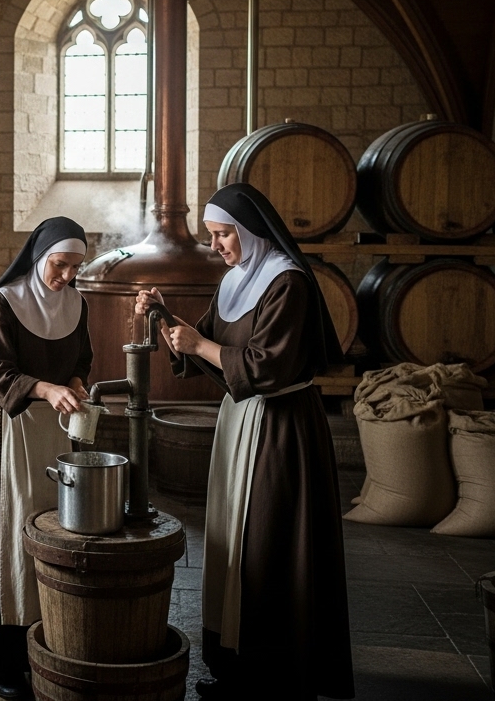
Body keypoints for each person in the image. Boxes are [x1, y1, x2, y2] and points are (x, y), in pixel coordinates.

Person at [135, 183, 353, 700]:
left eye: (223, 234)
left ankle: (276, 675)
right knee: (236, 542)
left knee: (269, 546)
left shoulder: (287, 282)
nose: (216, 246)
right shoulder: (237, 279)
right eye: (212, 235)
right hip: (242, 422)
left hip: (281, 431)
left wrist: (199, 343)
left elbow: (264, 366)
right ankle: (235, 664)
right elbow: (207, 347)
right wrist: (165, 316)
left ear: (251, 231)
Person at [0, 217, 93, 700]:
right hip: (8, 432)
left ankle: (53, 639)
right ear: (39, 256)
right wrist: (46, 389)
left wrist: (76, 384)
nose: (67, 276)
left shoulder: (76, 303)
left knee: (54, 530)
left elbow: (81, 359)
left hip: (56, 431)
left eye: (75, 267)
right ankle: (6, 658)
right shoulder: (3, 302)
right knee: (10, 535)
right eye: (60, 265)